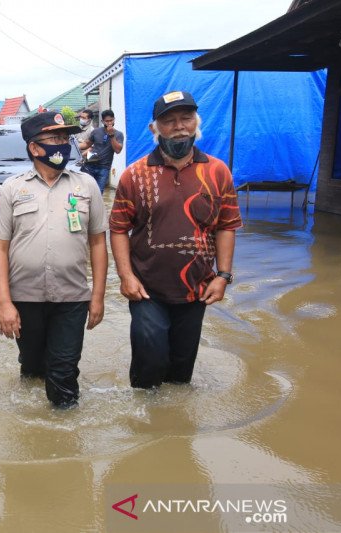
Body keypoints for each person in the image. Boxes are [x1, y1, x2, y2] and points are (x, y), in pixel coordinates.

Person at [110, 90, 242, 389]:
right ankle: (145, 423)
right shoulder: (134, 175)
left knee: (182, 371)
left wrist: (222, 276)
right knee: (150, 359)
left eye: (186, 118)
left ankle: (175, 430)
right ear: (154, 129)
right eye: (169, 121)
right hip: (146, 288)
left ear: (197, 122)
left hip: (197, 288)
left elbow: (227, 225)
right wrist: (126, 276)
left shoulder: (218, 172)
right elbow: (118, 228)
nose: (179, 126)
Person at [0, 112, 108, 409]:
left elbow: (98, 242)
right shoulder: (12, 188)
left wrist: (98, 296)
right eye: (55, 139)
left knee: (63, 372)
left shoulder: (87, 185)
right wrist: (4, 303)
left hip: (72, 298)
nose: (63, 145)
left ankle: (65, 437)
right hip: (25, 299)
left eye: (66, 139)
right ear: (35, 148)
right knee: (32, 367)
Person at [79, 109, 124, 193]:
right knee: (83, 191)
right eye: (107, 121)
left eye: (111, 120)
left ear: (114, 119)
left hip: (104, 168)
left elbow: (118, 150)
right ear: (102, 121)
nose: (109, 123)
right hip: (89, 165)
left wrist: (112, 135)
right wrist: (72, 146)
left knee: (98, 193)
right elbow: (87, 144)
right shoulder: (96, 132)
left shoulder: (118, 134)